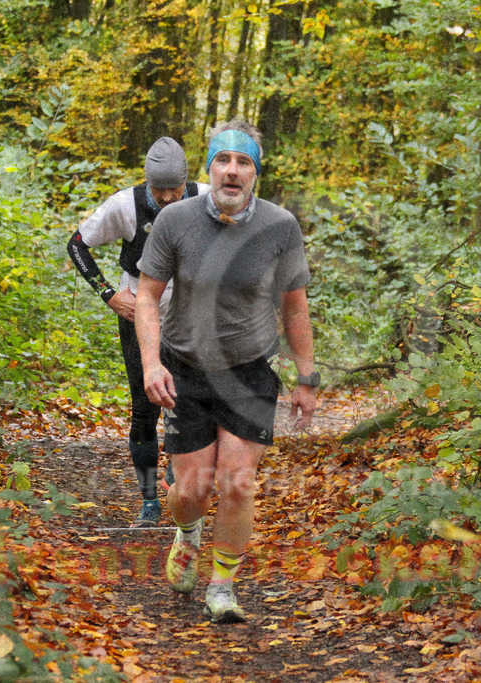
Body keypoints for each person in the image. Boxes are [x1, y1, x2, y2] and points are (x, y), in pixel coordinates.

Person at [134, 120, 319, 624]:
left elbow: (295, 307)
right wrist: (151, 364)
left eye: (243, 162)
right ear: (209, 168)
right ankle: (187, 531)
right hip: (186, 369)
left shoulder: (280, 227)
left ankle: (222, 587)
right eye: (223, 160)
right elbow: (147, 297)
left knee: (237, 483)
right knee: (191, 492)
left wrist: (307, 377)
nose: (232, 171)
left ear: (256, 173)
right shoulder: (175, 221)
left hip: (249, 372)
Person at [67, 137, 210, 528]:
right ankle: (149, 501)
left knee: (188, 400)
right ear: (147, 182)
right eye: (158, 189)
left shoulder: (206, 198)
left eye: (174, 188)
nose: (167, 197)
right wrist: (110, 296)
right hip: (138, 314)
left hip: (189, 315)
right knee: (145, 405)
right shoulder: (124, 206)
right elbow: (77, 245)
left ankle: (177, 472)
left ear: (185, 181)